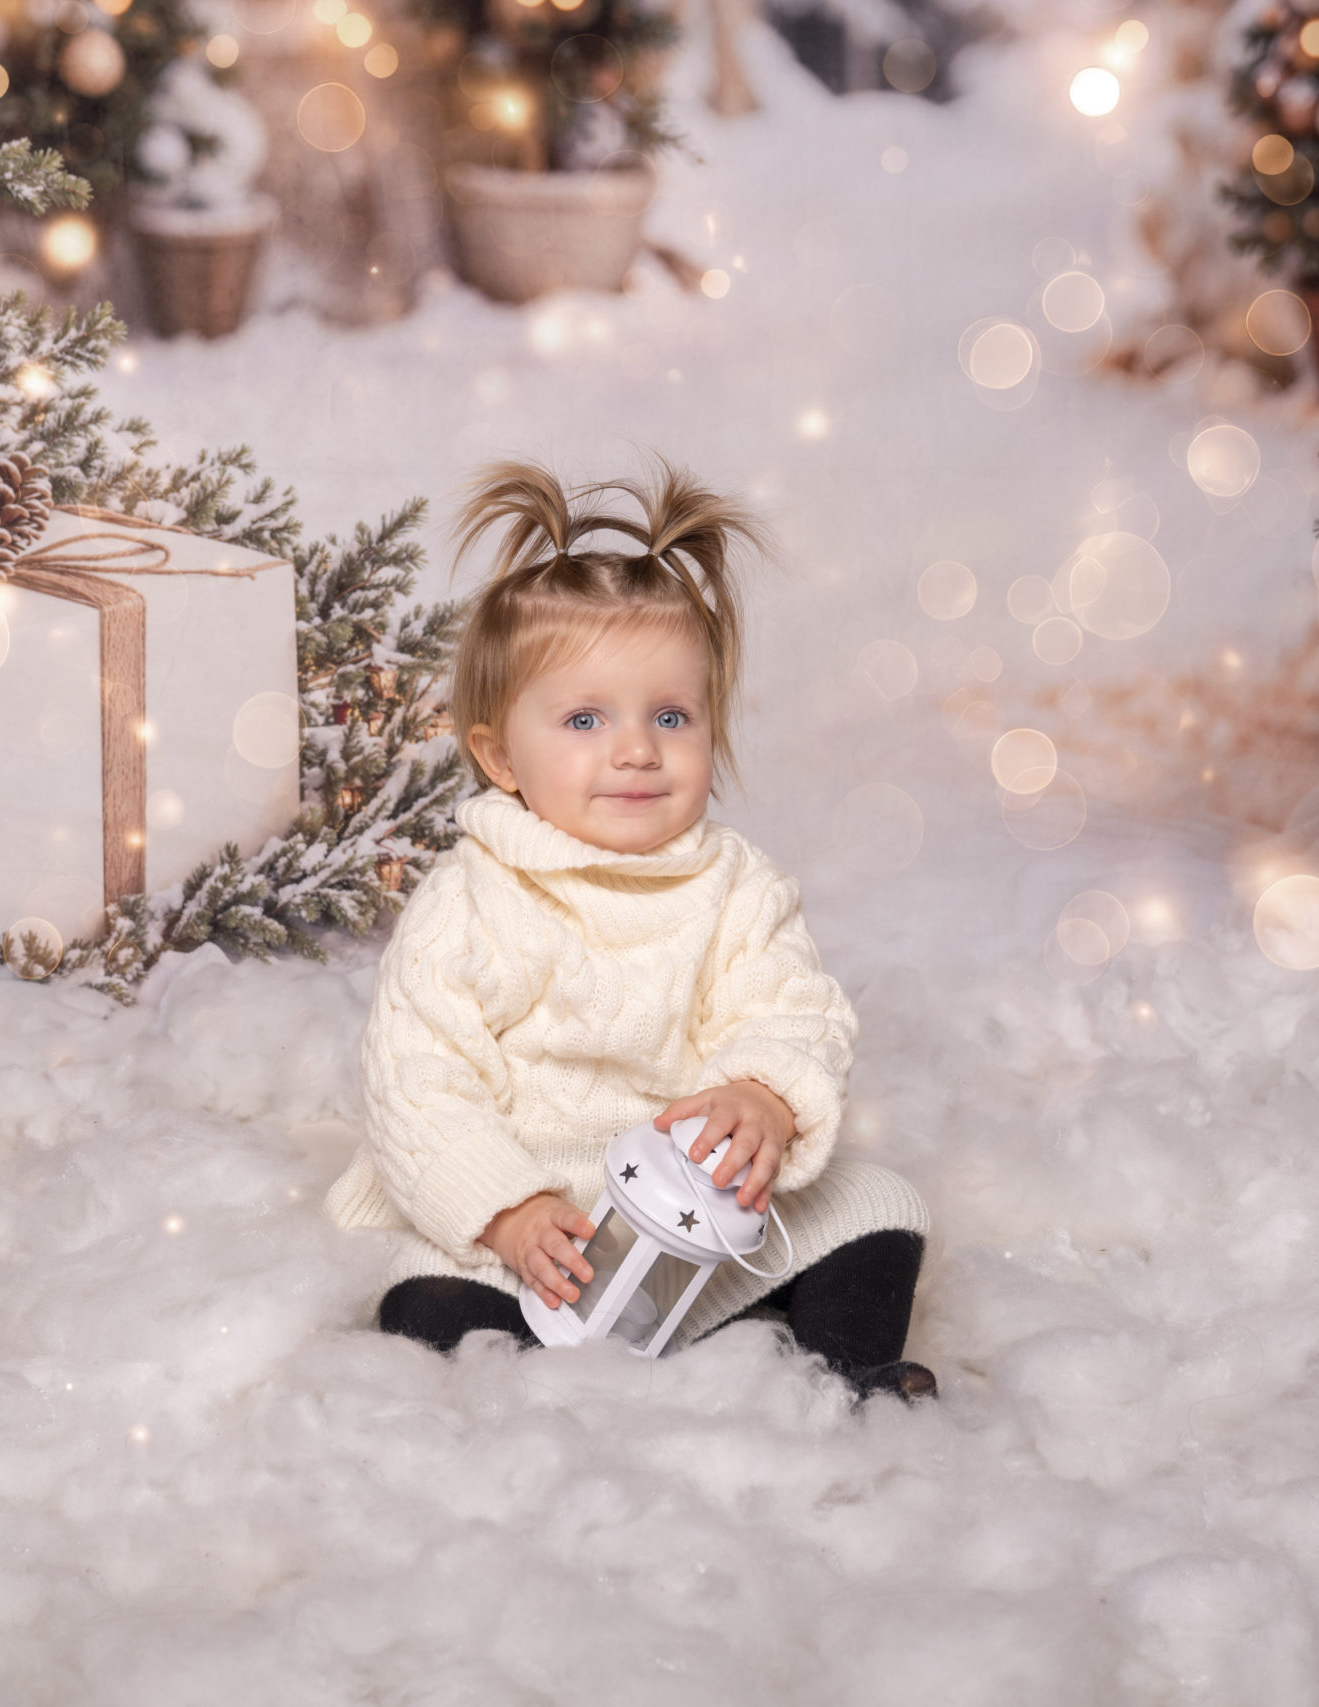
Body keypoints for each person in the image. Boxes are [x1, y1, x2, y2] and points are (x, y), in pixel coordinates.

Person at [323, 459, 935, 1400]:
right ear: (499, 755)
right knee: (432, 1307)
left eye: (671, 715)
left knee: (878, 1205)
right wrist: (510, 1211)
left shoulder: (736, 886)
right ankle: (535, 1366)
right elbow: (418, 1081)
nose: (637, 748)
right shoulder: (471, 899)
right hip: (536, 1226)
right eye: (583, 718)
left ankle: (840, 1383)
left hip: (691, 1216)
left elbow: (794, 1008)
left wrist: (765, 1097)